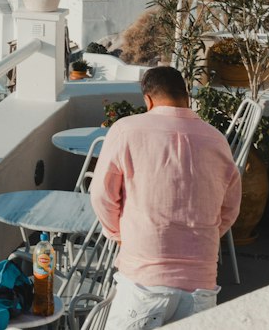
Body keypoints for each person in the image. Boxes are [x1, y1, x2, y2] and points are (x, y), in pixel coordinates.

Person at [90, 65, 241, 327]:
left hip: (143, 280)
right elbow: (230, 208)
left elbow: (101, 196)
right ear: (187, 97)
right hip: (201, 286)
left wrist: (120, 235)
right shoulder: (217, 140)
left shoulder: (126, 130)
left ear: (147, 100)